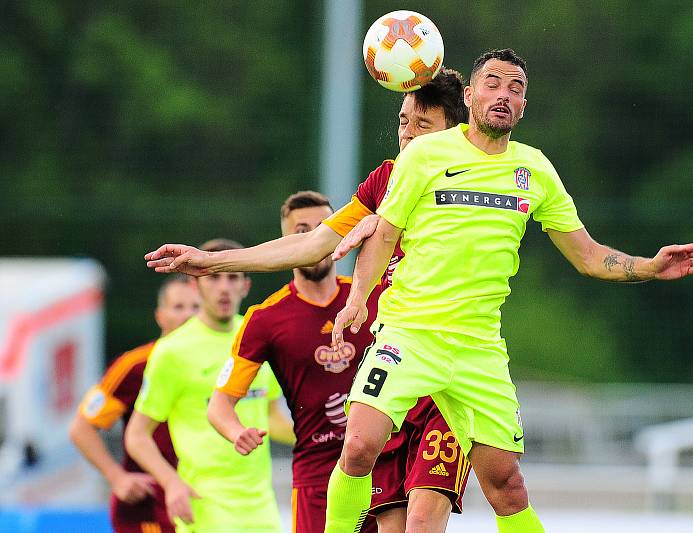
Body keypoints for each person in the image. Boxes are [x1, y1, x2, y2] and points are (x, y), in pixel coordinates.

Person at [327, 48, 693, 533]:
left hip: (478, 350)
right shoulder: (425, 155)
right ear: (469, 96)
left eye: (515, 89)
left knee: (506, 485)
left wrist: (650, 267)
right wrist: (357, 299)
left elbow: (589, 255)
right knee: (360, 445)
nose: (504, 95)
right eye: (493, 83)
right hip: (409, 334)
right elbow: (383, 234)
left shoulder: (533, 170)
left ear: (523, 108)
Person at [144, 70, 472, 533]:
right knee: (376, 482)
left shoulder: (477, 183)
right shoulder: (386, 181)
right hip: (387, 401)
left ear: (453, 132)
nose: (407, 133)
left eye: (422, 124)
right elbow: (317, 243)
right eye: (402, 120)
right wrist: (213, 261)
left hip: (450, 374)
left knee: (488, 491)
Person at [208, 191, 381, 533]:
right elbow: (220, 405)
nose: (315, 238)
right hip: (318, 476)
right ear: (285, 242)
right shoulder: (266, 319)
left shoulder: (374, 295)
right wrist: (237, 432)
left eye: (324, 227)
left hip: (383, 464)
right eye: (302, 231)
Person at [125, 239, 293, 533]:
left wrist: (331, 437)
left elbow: (270, 418)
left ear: (246, 286)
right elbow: (137, 436)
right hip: (204, 505)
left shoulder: (258, 337)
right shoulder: (172, 351)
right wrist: (171, 483)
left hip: (261, 507)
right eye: (214, 277)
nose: (224, 287)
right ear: (196, 286)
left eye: (232, 277)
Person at [70, 274, 199, 533]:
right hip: (147, 507)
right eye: (178, 307)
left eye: (196, 307)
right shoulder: (135, 365)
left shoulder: (219, 362)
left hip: (200, 501)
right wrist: (117, 477)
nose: (188, 315)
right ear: (160, 316)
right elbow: (81, 428)